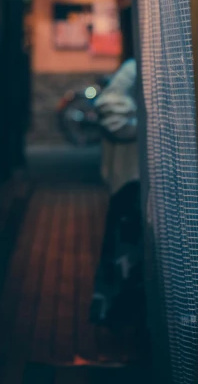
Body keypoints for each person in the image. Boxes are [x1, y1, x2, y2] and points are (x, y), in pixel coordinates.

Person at [90, 43, 144, 329]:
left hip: (137, 182)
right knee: (126, 249)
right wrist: (147, 124)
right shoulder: (138, 68)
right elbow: (108, 107)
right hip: (131, 181)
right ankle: (120, 315)